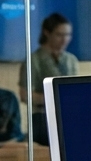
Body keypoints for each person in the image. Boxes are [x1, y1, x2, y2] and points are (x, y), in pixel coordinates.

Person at [19, 12, 79, 146]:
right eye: (59, 35)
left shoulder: (71, 60)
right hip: (42, 118)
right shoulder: (33, 60)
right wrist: (55, 98)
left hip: (69, 116)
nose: (65, 39)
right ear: (47, 33)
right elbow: (25, 95)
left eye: (68, 35)